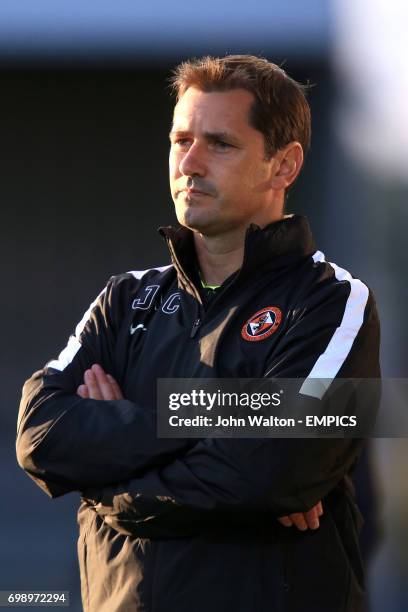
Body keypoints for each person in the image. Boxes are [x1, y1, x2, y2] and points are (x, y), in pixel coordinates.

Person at [16, 55, 381, 612]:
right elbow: (41, 435)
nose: (189, 162)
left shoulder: (334, 302)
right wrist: (224, 420)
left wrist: (106, 482)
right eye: (180, 140)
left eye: (220, 144)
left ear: (283, 165)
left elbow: (274, 469)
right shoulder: (124, 298)